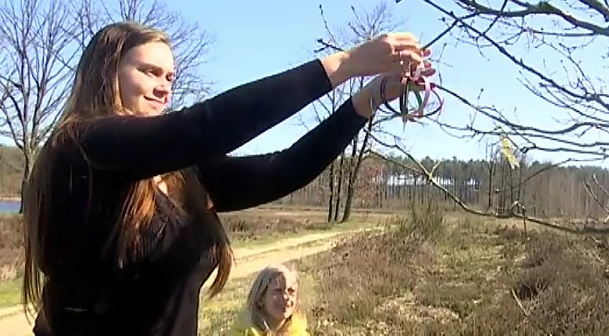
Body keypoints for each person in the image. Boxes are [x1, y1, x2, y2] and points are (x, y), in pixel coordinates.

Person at [21, 21, 433, 336]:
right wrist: (344, 64)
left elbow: (282, 171)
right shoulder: (79, 147)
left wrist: (370, 97)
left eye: (169, 77)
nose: (164, 88)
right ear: (105, 73)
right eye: (149, 71)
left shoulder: (180, 172)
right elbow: (205, 126)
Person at [226, 264, 307, 336]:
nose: (286, 297)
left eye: (291, 291)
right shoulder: (242, 332)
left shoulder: (299, 332)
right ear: (261, 298)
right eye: (278, 290)